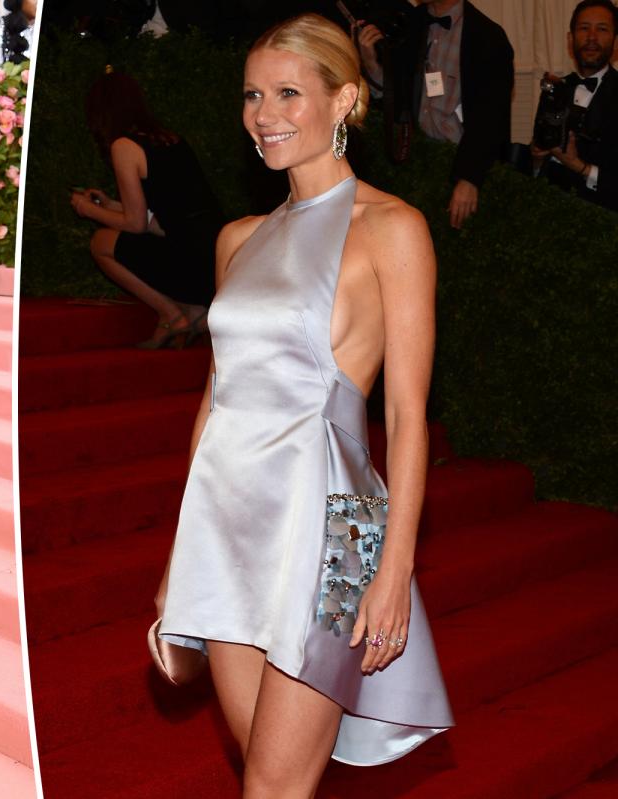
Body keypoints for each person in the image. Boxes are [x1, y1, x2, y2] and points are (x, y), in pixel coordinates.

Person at [153, 14, 454, 795]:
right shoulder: (237, 239)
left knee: (275, 785)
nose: (265, 114)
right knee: (269, 777)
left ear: (344, 99)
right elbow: (216, 399)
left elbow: (408, 416)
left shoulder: (392, 228)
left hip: (338, 534)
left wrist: (395, 568)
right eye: (253, 95)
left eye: (288, 93)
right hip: (228, 525)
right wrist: (180, 557)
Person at [71, 71, 223, 348]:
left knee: (101, 242)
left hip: (190, 260)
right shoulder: (169, 139)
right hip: (212, 254)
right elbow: (164, 214)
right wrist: (109, 205)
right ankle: (195, 312)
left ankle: (171, 316)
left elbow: (136, 223)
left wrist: (87, 209)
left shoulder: (123, 146)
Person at [355, 0, 514, 229]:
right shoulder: (409, 23)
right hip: (412, 165)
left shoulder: (488, 36)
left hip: (457, 169)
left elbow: (491, 118)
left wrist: (469, 178)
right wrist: (370, 61)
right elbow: (392, 98)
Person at [531, 0, 618, 210]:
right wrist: (537, 159)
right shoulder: (555, 88)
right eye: (584, 28)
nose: (592, 37)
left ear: (615, 42)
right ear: (570, 40)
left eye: (602, 29)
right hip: (548, 214)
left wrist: (579, 166)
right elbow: (535, 174)